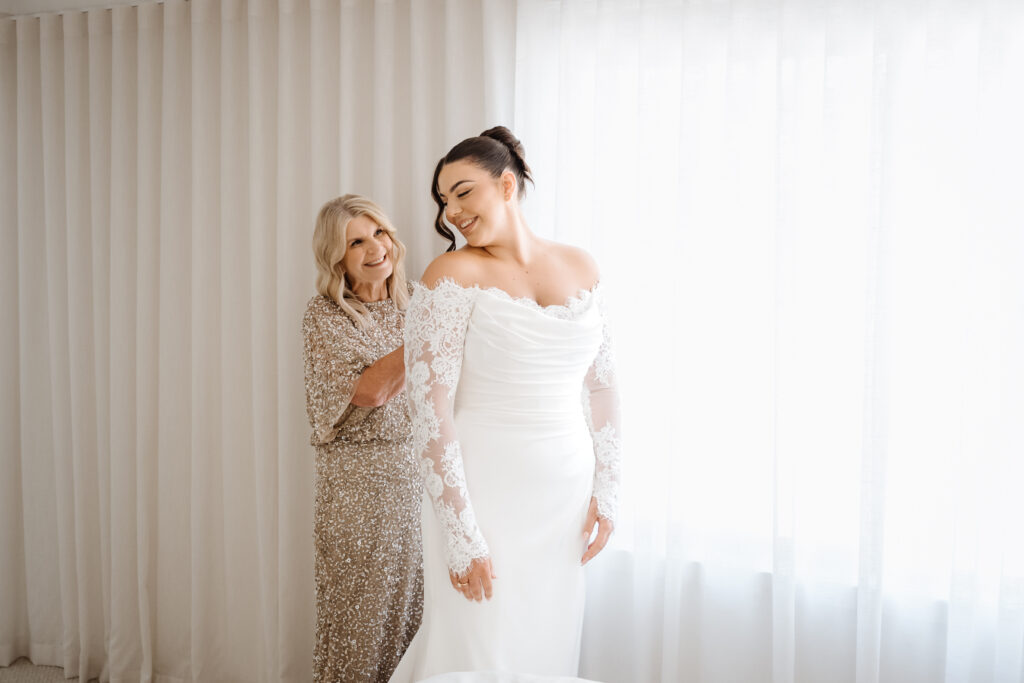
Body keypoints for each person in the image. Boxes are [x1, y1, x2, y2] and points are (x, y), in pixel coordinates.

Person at [389, 127, 622, 681]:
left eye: (463, 192)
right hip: (482, 495)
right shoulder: (450, 275)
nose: (451, 212)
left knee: (544, 647)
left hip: (563, 500)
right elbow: (430, 409)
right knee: (477, 648)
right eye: (444, 200)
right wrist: (459, 530)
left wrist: (608, 488)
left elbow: (603, 386)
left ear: (507, 185)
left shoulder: (582, 265)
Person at [302, 194, 423, 683]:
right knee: (361, 620)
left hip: (418, 483)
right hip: (357, 490)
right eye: (356, 242)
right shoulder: (325, 315)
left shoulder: (417, 301)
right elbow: (372, 391)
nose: (376, 248)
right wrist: (430, 330)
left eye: (380, 233)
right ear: (337, 258)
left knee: (415, 615)